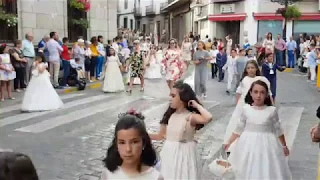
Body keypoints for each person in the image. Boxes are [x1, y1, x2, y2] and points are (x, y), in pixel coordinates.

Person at [225, 80, 291, 179]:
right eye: (255, 92)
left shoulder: (271, 110)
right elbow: (239, 128)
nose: (258, 95)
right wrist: (229, 142)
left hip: (268, 145)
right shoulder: (246, 109)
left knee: (266, 168)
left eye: (262, 92)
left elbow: (278, 129)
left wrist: (284, 145)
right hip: (247, 144)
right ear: (251, 93)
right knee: (246, 168)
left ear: (266, 95)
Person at [150, 81, 212, 179]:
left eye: (173, 96)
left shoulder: (190, 117)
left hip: (184, 154)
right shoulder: (169, 115)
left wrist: (196, 105)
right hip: (168, 153)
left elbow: (208, 117)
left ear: (183, 99)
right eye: (170, 95)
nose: (170, 99)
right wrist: (143, 134)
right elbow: (161, 135)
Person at [223, 60, 274, 153]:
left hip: (255, 105)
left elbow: (268, 94)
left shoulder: (262, 80)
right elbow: (239, 92)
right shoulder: (245, 79)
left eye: (252, 68)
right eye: (248, 68)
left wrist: (271, 105)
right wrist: (238, 104)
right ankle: (234, 145)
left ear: (256, 69)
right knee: (238, 125)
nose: (250, 70)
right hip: (243, 105)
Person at [101, 110, 161, 179]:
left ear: (143, 143)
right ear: (116, 144)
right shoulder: (108, 174)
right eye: (122, 142)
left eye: (134, 142)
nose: (128, 149)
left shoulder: (155, 177)